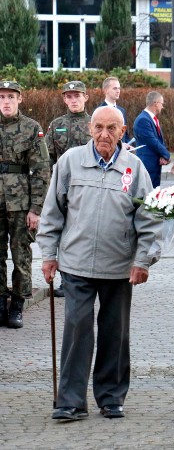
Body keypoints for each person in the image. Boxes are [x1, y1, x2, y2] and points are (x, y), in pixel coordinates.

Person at [38, 106, 162, 422]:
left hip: (119, 267)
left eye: (111, 128)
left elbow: (149, 219)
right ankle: (70, 400)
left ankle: (111, 397)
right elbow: (52, 212)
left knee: (114, 333)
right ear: (90, 129)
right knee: (77, 330)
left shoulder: (134, 168)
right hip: (76, 264)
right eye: (98, 127)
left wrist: (143, 260)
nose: (104, 134)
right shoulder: (69, 163)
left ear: (123, 132)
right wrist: (49, 255)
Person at [0, 81, 50, 329]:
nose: (6, 101)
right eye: (2, 97)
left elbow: (41, 170)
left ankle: (17, 305)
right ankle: (0, 304)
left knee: (21, 255)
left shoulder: (31, 128)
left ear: (20, 99)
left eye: (11, 97)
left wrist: (36, 209)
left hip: (21, 204)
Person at [45, 81, 92, 298]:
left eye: (77, 96)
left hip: (90, 187)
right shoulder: (56, 125)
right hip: (64, 186)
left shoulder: (95, 123)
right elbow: (47, 160)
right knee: (65, 232)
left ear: (86, 97)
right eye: (69, 96)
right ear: (64, 99)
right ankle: (67, 278)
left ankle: (93, 275)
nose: (73, 100)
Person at [133, 91, 170, 187]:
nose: (162, 106)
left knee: (153, 195)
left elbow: (159, 140)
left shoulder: (151, 119)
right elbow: (152, 141)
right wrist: (166, 155)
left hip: (154, 164)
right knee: (147, 196)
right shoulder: (143, 120)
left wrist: (162, 155)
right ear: (156, 104)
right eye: (162, 104)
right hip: (148, 165)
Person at [98, 77, 130, 143]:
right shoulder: (100, 111)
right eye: (115, 88)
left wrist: (127, 145)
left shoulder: (122, 110)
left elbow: (125, 133)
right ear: (106, 90)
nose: (118, 91)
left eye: (119, 88)